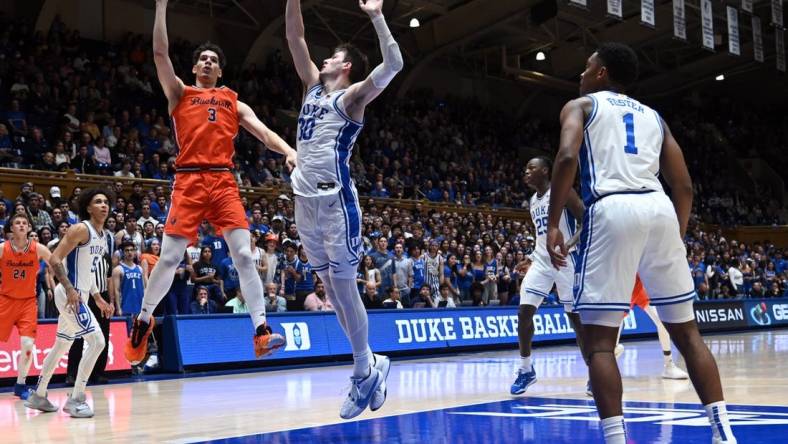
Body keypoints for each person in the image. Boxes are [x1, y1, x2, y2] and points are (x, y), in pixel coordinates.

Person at [546, 43, 736, 443]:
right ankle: (723, 433)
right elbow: (683, 185)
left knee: (599, 344)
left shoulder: (580, 105)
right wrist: (675, 236)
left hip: (613, 207)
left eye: (587, 66)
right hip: (659, 207)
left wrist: (552, 224)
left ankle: (616, 439)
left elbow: (566, 157)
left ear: (601, 74)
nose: (581, 73)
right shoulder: (654, 117)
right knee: (688, 333)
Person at [124, 0, 297, 365]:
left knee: (245, 257)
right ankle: (142, 321)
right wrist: (160, 8)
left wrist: (289, 151)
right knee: (170, 258)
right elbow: (158, 52)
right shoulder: (180, 94)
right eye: (202, 58)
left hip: (222, 183)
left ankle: (261, 331)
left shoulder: (233, 101)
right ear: (194, 67)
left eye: (213, 60)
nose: (207, 62)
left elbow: (264, 133)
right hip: (188, 182)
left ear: (220, 71)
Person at [286, 0, 402, 418]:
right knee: (332, 292)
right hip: (304, 201)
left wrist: (375, 16)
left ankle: (361, 372)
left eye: (333, 56)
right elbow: (294, 36)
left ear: (347, 66)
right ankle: (370, 363)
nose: (325, 58)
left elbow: (394, 63)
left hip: (335, 202)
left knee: (345, 285)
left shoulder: (352, 97)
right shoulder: (311, 88)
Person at [26, 189, 114, 418]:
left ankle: (39, 395)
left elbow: (90, 270)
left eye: (106, 202)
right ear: (88, 207)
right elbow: (55, 259)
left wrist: (97, 297)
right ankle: (76, 400)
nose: (104, 205)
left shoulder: (103, 235)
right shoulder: (80, 229)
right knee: (97, 341)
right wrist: (69, 289)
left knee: (62, 345)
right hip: (69, 295)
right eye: (98, 202)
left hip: (81, 294)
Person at [510, 156, 585, 396]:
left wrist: (569, 244)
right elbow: (542, 237)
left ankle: (594, 372)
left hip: (566, 260)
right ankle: (526, 369)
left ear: (545, 171)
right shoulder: (533, 201)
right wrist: (531, 258)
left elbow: (587, 221)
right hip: (542, 261)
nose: (526, 171)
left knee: (576, 320)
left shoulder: (563, 191)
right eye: (526, 168)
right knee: (524, 312)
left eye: (531, 168)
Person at [0, 214, 52, 399]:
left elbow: (55, 261)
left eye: (24, 223)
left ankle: (20, 385)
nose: (21, 225)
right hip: (5, 300)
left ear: (29, 227)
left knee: (28, 344)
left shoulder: (38, 248)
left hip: (28, 302)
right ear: (11, 229)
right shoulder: (2, 249)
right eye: (17, 223)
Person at [608, 275, 689, 385]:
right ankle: (598, 377)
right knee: (613, 344)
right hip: (624, 288)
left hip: (640, 288)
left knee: (662, 322)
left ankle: (669, 366)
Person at [67, 226, 114, 386]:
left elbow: (109, 279)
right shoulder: (83, 253)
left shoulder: (107, 257)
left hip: (102, 295)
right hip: (83, 295)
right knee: (78, 335)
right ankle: (72, 374)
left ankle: (98, 373)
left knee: (104, 336)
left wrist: (111, 301)